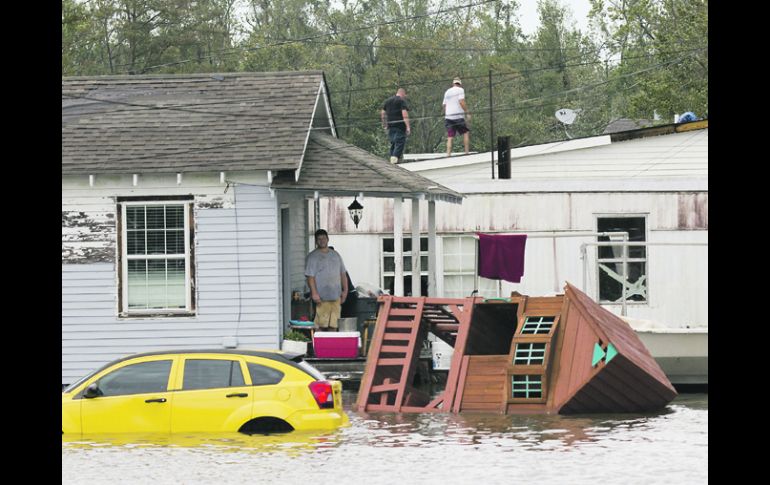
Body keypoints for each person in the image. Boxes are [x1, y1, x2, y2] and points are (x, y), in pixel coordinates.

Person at [305, 229, 348, 331]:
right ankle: (320, 345)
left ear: (328, 239)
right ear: (316, 241)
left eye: (323, 238)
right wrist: (314, 293)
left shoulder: (336, 255)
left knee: (334, 325)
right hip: (321, 298)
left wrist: (345, 291)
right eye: (319, 239)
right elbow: (310, 276)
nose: (322, 241)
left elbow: (342, 273)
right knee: (320, 325)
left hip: (336, 297)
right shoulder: (312, 257)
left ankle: (331, 346)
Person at [381, 88, 411, 164]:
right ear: (403, 93)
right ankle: (394, 160)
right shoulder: (401, 101)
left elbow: (383, 113)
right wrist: (408, 127)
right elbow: (404, 114)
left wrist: (384, 124)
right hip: (400, 126)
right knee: (399, 143)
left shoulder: (388, 101)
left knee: (393, 143)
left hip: (391, 126)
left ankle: (392, 158)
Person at [443, 77, 471, 156]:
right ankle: (466, 152)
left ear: (453, 83)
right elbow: (461, 101)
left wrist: (446, 114)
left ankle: (448, 154)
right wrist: (467, 112)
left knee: (450, 136)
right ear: (460, 84)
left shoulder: (447, 92)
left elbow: (444, 105)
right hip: (458, 116)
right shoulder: (460, 90)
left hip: (448, 117)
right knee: (465, 132)